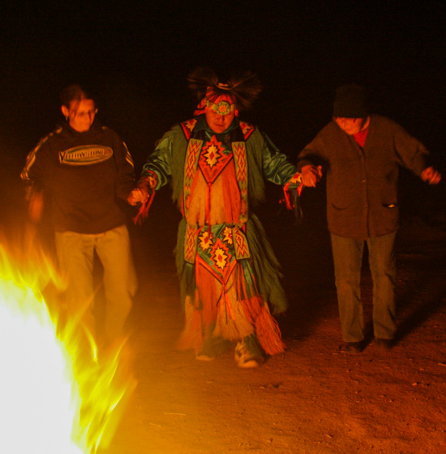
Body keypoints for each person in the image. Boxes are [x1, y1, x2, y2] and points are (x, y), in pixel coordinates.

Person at [133, 68, 307, 368]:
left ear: (235, 111)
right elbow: (159, 163)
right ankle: (211, 336)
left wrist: (294, 176)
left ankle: (247, 340)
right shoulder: (182, 135)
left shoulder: (250, 137)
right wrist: (145, 184)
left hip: (236, 228)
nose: (221, 117)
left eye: (227, 111)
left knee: (243, 287)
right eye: (216, 109)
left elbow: (273, 163)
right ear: (205, 106)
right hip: (196, 230)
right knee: (203, 289)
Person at [297, 84, 441, 353]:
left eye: (350, 118)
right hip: (343, 217)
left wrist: (424, 169)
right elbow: (308, 154)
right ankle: (352, 337)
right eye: (339, 119)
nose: (345, 124)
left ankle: (385, 332)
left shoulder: (386, 129)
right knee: (346, 280)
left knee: (384, 276)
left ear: (364, 114)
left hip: (382, 214)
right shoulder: (331, 134)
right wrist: (307, 168)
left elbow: (413, 153)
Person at [21, 84, 143, 347]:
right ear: (66, 111)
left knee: (123, 292)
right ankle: (86, 354)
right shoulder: (52, 144)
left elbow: (125, 173)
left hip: (111, 226)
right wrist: (35, 195)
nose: (86, 118)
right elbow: (29, 174)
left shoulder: (109, 138)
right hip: (70, 230)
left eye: (90, 112)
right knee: (79, 299)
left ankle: (110, 343)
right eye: (79, 113)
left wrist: (131, 195)